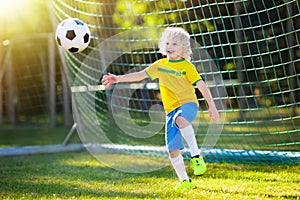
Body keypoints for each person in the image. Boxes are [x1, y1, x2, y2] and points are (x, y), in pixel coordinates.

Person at [102, 27, 220, 190]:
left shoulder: (187, 66)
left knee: (181, 118)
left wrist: (212, 107)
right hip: (170, 111)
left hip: (188, 104)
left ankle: (196, 155)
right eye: (167, 43)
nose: (169, 46)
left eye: (175, 43)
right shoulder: (160, 65)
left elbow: (201, 85)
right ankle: (185, 181)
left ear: (184, 48)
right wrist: (117, 79)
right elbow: (139, 75)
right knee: (172, 150)